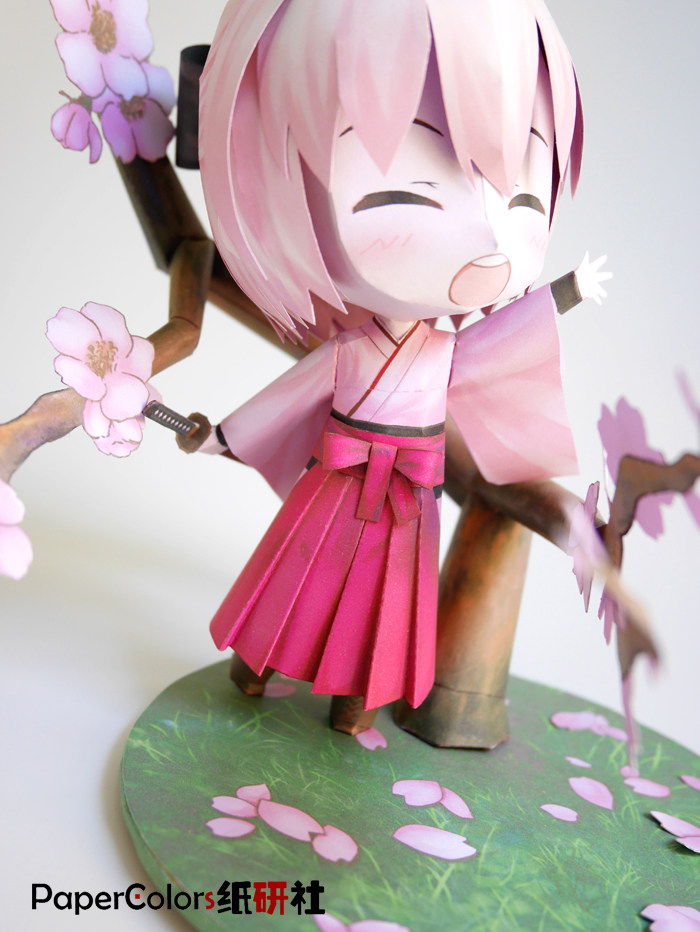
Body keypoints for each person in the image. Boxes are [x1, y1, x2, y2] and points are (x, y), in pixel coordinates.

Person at [185, 0, 608, 732]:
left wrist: (566, 290)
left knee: (381, 613)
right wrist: (220, 436)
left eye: (520, 195)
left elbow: (507, 332)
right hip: (340, 484)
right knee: (298, 584)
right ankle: (255, 666)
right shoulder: (349, 351)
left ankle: (355, 705)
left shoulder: (445, 352)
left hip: (407, 500)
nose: (483, 236)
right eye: (407, 191)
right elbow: (285, 401)